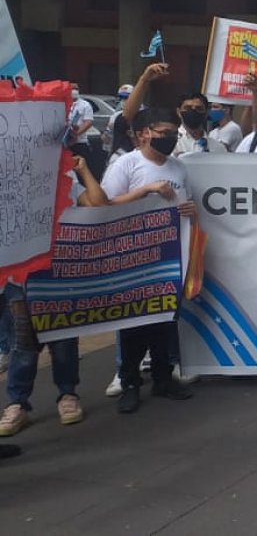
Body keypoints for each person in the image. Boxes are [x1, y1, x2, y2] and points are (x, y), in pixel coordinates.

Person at [0, 157, 107, 437]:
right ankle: (17, 403)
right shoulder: (9, 187)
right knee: (22, 342)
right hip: (19, 280)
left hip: (59, 278)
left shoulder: (67, 185)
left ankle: (67, 394)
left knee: (63, 338)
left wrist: (83, 169)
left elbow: (98, 204)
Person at [101, 108, 198, 413]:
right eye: (162, 133)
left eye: (172, 133)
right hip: (136, 255)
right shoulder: (127, 164)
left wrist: (190, 210)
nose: (168, 139)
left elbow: (186, 202)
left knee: (165, 321)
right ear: (144, 134)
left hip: (171, 254)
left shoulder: (179, 168)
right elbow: (104, 204)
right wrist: (145, 190)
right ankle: (130, 383)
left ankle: (162, 377)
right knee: (134, 323)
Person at [66, 83, 95, 160]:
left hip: (80, 142)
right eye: (72, 89)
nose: (74, 91)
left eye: (76, 89)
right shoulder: (64, 103)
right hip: (65, 143)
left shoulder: (85, 105)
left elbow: (88, 122)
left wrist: (76, 133)